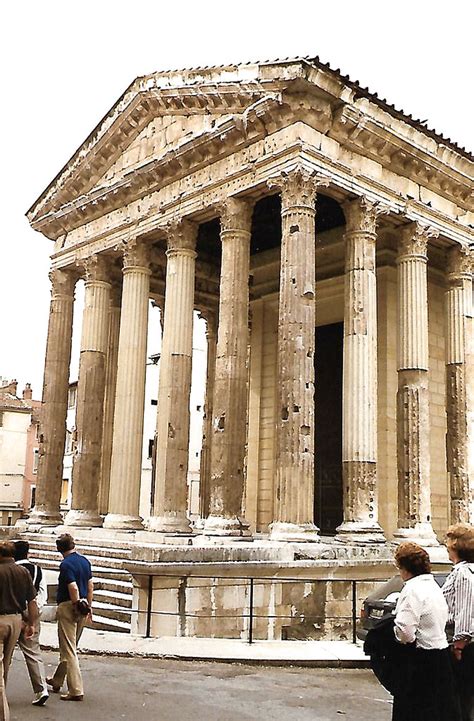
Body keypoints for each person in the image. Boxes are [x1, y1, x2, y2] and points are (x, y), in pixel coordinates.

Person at [391, 541, 461, 721]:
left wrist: (398, 638)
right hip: (441, 655)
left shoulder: (412, 589)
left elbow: (405, 630)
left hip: (421, 659)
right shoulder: (433, 586)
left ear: (404, 567)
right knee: (439, 711)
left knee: (414, 711)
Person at [46, 533, 93, 702]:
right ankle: (57, 680)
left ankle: (76, 689)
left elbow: (73, 587)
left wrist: (75, 604)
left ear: (59, 549)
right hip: (83, 606)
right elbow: (90, 585)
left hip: (69, 606)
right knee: (71, 646)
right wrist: (88, 606)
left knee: (69, 649)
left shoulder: (66, 565)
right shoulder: (85, 561)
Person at [0, 540, 39, 721]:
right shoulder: (22, 572)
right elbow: (32, 601)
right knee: (5, 663)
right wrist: (32, 623)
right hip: (16, 619)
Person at [442, 523, 474, 721]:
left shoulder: (462, 573)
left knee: (461, 698)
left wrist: (459, 643)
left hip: (463, 644)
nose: (445, 545)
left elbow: (465, 608)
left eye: (448, 540)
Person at [13, 540, 49, 706]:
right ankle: (41, 689)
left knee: (4, 654)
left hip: (13, 613)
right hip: (33, 612)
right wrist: (33, 616)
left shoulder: (12, 570)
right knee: (33, 652)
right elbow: (42, 594)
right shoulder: (38, 570)